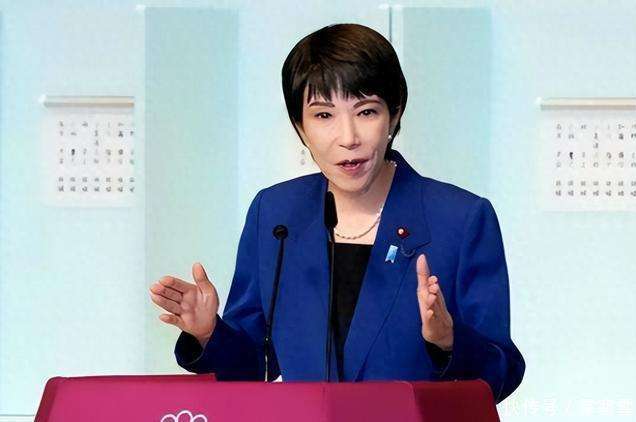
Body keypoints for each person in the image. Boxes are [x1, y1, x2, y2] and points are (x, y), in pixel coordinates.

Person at [149, 23, 525, 403]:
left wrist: (449, 341)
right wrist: (209, 333)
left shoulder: (460, 219)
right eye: (324, 115)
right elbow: (255, 366)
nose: (348, 137)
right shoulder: (276, 214)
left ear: (394, 115)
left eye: (366, 111)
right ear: (300, 127)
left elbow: (503, 372)